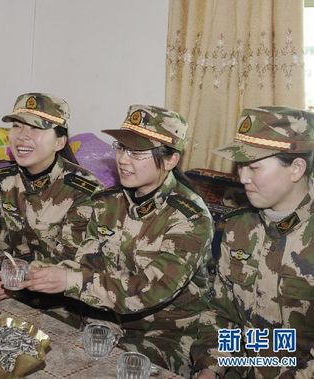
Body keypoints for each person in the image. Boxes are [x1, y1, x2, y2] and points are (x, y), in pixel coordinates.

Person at [22, 105, 214, 376]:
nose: (123, 159)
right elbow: (86, 261)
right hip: (102, 317)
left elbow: (151, 289)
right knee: (30, 340)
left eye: (136, 153)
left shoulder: (190, 218)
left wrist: (70, 281)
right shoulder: (107, 202)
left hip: (161, 333)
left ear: (170, 160)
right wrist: (44, 273)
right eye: (121, 148)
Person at [192, 106, 314, 379]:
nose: (243, 178)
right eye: (241, 166)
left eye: (254, 167)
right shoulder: (239, 226)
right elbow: (222, 315)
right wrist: (211, 367)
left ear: (296, 168)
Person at [0, 93, 103, 301]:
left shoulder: (84, 191)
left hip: (63, 304)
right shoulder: (3, 181)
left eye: (36, 128)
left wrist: (16, 278)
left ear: (59, 142)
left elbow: (75, 263)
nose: (22, 136)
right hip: (9, 289)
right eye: (17, 125)